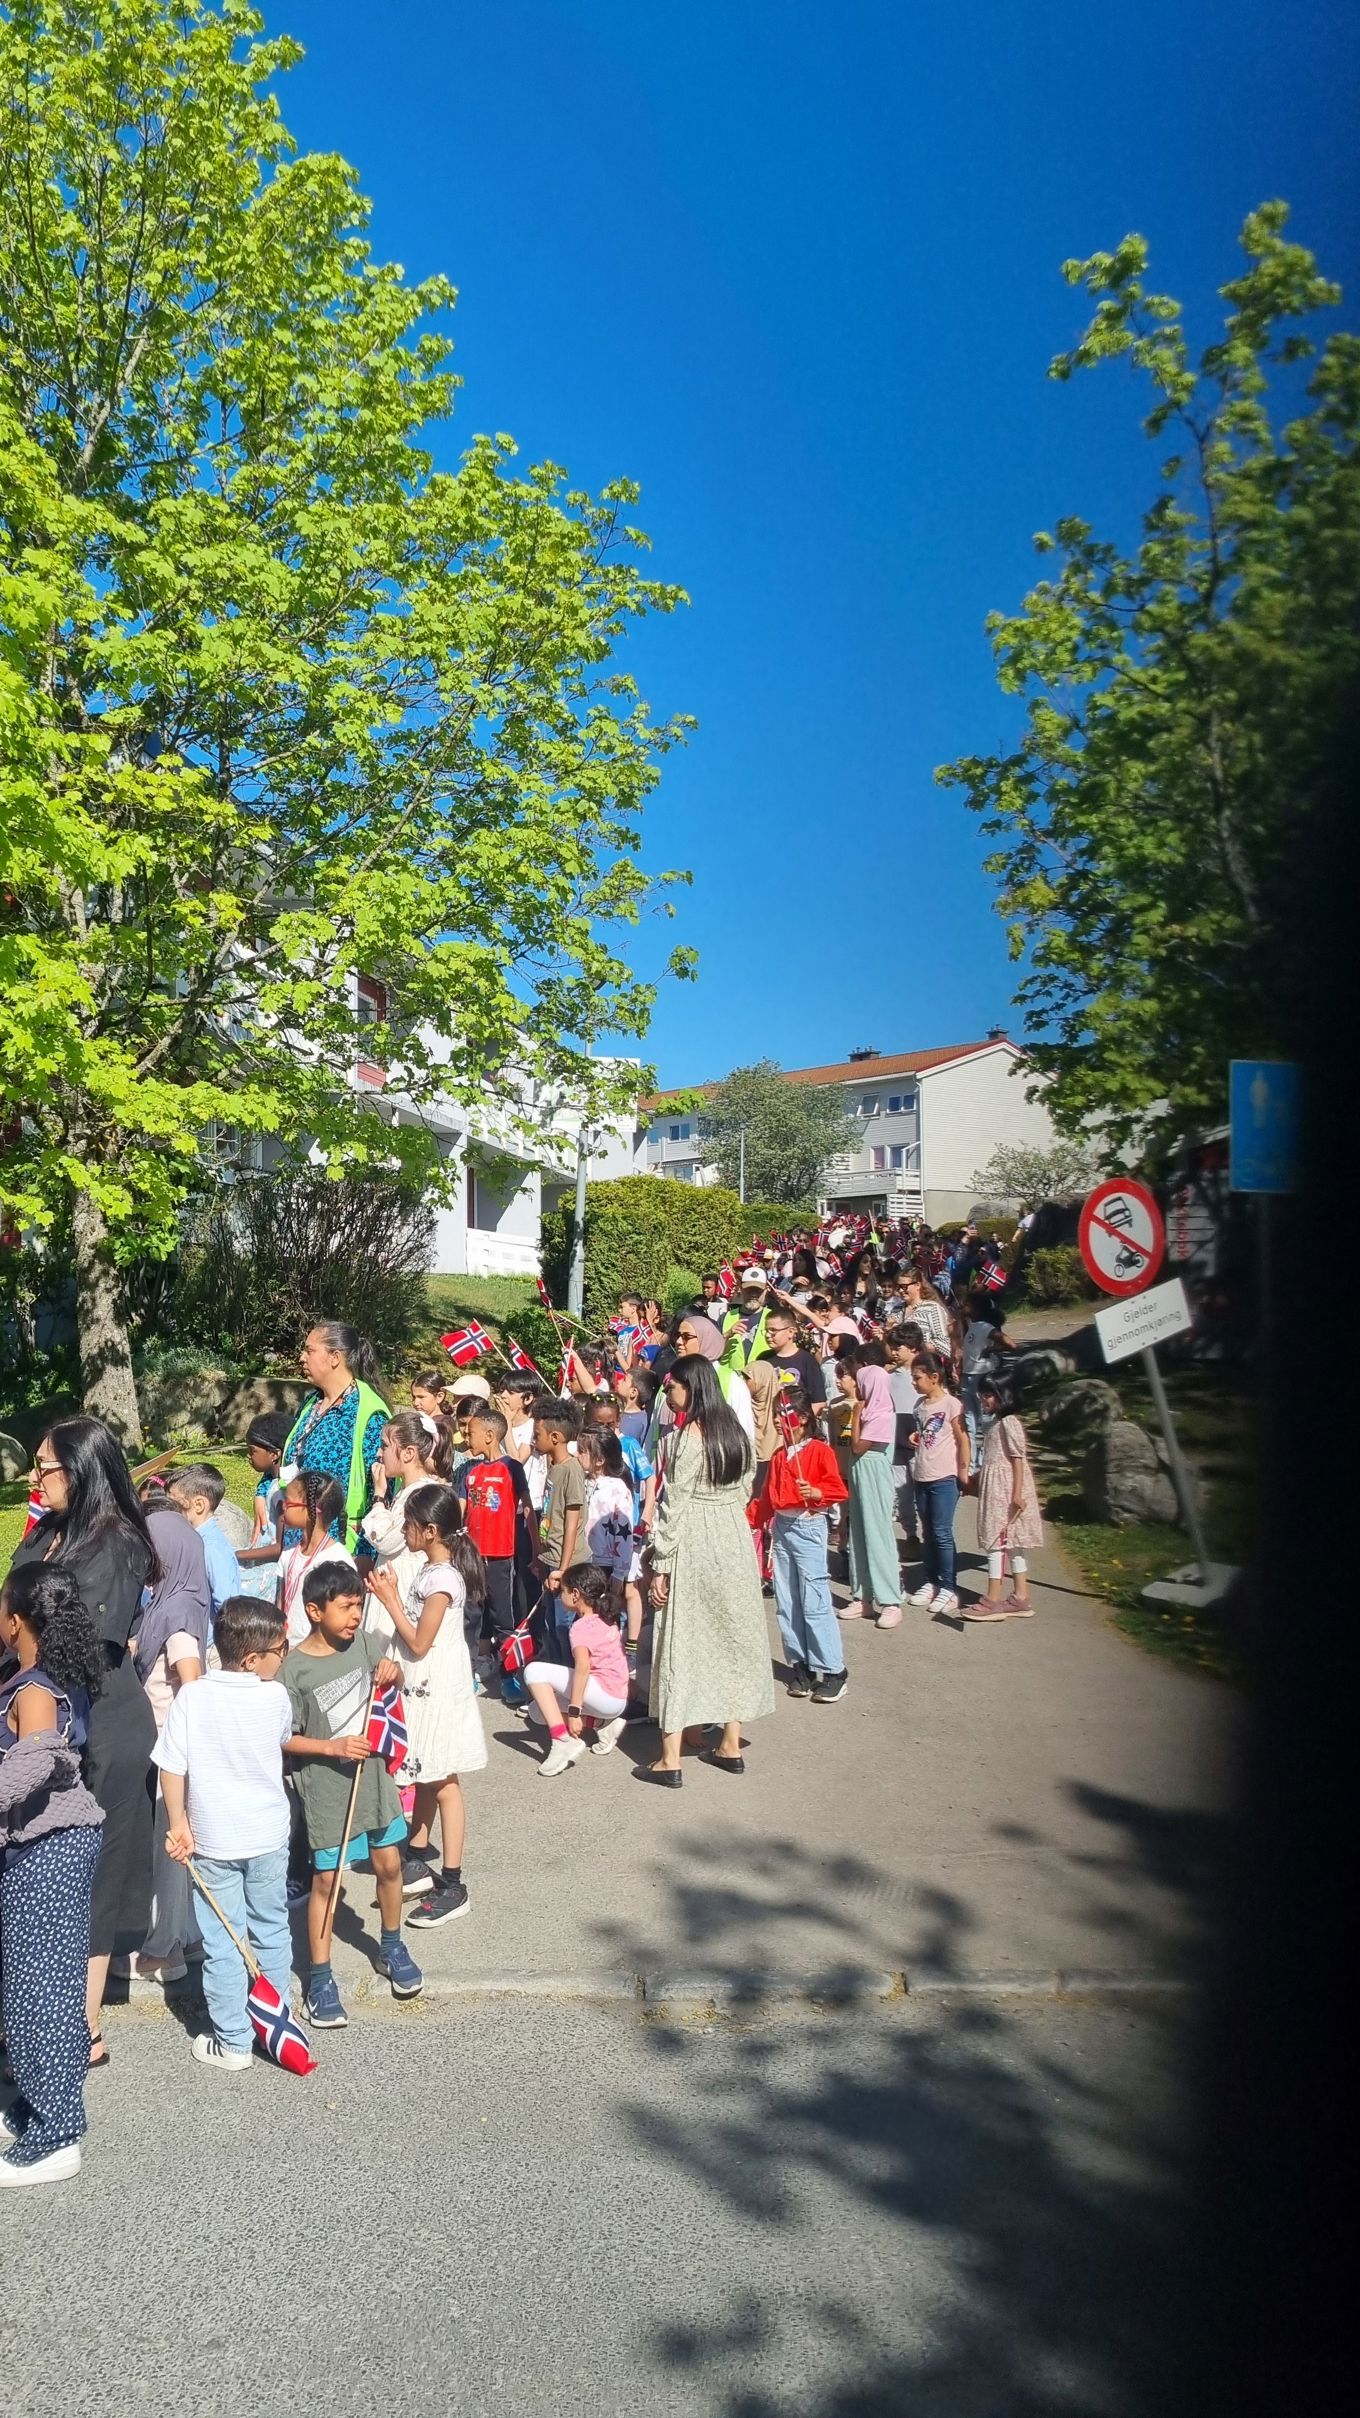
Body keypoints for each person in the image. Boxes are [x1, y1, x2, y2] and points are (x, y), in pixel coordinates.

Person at [7, 1417, 159, 2070]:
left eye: (45, 1466)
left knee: (86, 1880)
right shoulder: (44, 1529)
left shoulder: (116, 1544)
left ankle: (81, 2028)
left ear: (83, 1468)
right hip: (34, 1715)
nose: (34, 1477)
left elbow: (79, 1650)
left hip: (97, 1728)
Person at [153, 1596, 294, 2072]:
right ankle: (275, 2022)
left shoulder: (193, 1696)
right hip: (269, 1834)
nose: (285, 1655)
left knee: (223, 1940)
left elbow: (173, 1767)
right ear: (253, 1660)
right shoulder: (274, 1695)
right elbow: (277, 1740)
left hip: (213, 1838)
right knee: (271, 1929)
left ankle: (232, 2040)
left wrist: (178, 1822)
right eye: (281, 1648)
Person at [0, 1565, 105, 2188]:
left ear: (18, 1622)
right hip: (43, 1848)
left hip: (52, 1849)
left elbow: (34, 1764)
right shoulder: (41, 1679)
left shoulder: (35, 1690)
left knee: (41, 1994)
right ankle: (32, 2108)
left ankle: (56, 2136)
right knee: (32, 1988)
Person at [283, 1564, 422, 2028]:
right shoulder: (294, 1669)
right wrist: (331, 1747)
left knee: (389, 1865)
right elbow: (283, 1738)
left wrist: (393, 1671)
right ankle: (319, 1978)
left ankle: (391, 1945)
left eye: (359, 1605)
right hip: (326, 1794)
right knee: (325, 1882)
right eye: (346, 1607)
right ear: (314, 1610)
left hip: (375, 1785)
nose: (356, 1616)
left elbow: (393, 1683)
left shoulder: (364, 1644)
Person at [642, 1352, 775, 1784]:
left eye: (674, 1387)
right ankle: (729, 1743)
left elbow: (673, 1504)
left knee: (681, 1638)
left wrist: (660, 1564)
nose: (669, 1393)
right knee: (731, 1639)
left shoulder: (689, 1436)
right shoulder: (735, 1428)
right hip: (733, 1538)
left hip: (695, 1538)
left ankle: (670, 1757)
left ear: (691, 1387)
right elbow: (746, 1486)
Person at [361, 1484, 487, 1929]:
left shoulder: (443, 1579)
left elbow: (419, 1641)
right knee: (427, 1771)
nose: (404, 1531)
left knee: (444, 1779)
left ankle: (453, 1883)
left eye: (409, 1525)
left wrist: (390, 1600)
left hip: (438, 1689)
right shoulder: (429, 1570)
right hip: (423, 1686)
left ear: (430, 1530)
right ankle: (417, 1853)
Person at [124, 1495, 212, 1989]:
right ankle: (191, 1936)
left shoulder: (176, 1610)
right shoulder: (178, 1598)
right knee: (182, 1844)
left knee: (170, 1844)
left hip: (171, 1747)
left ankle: (163, 1951)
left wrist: (183, 1739)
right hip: (172, 1745)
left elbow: (190, 1682)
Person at [751, 1388, 849, 1701]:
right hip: (782, 1527)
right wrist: (743, 1521)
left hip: (808, 1527)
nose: (779, 1422)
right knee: (788, 1600)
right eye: (777, 1415)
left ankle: (834, 1669)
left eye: (785, 1415)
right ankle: (801, 1665)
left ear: (803, 1419)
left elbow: (836, 1489)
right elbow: (766, 1500)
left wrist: (818, 1492)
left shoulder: (820, 1451)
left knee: (814, 1599)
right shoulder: (780, 1456)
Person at [282, 1323, 390, 1549]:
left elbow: (381, 1486)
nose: (302, 1358)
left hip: (338, 1545)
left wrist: (366, 1553)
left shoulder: (367, 1413)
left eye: (309, 1351)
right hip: (298, 1539)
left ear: (334, 1357)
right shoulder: (312, 1403)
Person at [523, 1562, 630, 1774]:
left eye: (562, 1590)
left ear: (575, 1595)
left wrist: (574, 1711)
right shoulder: (607, 1616)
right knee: (537, 1712)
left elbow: (583, 1667)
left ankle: (562, 1741)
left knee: (533, 1671)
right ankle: (602, 1724)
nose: (559, 1595)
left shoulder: (581, 1627)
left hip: (604, 1693)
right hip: (616, 1698)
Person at [454, 1406, 535, 1665]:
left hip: (501, 1556)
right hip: (472, 1557)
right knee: (470, 1613)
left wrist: (536, 1548)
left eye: (472, 1433)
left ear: (489, 1436)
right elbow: (460, 1510)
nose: (468, 1438)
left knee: (503, 1615)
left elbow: (528, 1508)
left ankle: (509, 1670)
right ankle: (468, 1666)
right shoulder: (471, 1471)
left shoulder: (511, 1468)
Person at [963, 1377, 1044, 1620]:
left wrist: (1017, 1493)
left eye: (988, 1395)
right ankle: (1021, 1597)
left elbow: (1018, 1459)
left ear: (1003, 1395)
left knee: (997, 1542)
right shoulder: (997, 1424)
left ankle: (993, 1599)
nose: (983, 1399)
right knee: (1012, 1545)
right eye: (982, 1395)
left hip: (1005, 1493)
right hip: (997, 1489)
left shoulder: (1009, 1423)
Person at [836, 1348, 904, 1630]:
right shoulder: (869, 1409)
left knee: (878, 1534)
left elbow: (858, 1445)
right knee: (858, 1534)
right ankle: (862, 1595)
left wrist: (856, 1414)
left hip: (874, 1469)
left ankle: (890, 1600)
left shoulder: (880, 1412)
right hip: (859, 1470)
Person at [906, 1350, 971, 1615]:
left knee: (942, 1532)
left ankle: (949, 1586)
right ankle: (931, 1580)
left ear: (934, 1377)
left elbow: (963, 1438)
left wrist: (964, 1471)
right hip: (921, 1475)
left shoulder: (951, 1405)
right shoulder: (919, 1406)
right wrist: (915, 1437)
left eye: (918, 1377)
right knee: (928, 1531)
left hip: (944, 1477)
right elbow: (925, 1433)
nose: (914, 1382)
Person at [533, 1399, 587, 1653]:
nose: (534, 1440)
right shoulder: (554, 1468)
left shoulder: (571, 1470)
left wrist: (564, 1569)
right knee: (550, 1625)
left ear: (555, 1437)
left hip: (567, 1564)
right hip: (551, 1558)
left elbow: (572, 1523)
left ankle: (570, 1681)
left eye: (537, 1435)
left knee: (564, 1629)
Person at [276, 1471, 355, 1645]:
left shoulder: (338, 1559)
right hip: (287, 1646)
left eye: (287, 1502)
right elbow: (280, 1603)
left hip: (319, 1649)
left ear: (310, 1509)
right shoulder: (289, 1552)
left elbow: (346, 1611)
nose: (282, 1506)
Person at [166, 1464, 242, 1613]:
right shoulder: (193, 1540)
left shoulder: (211, 1548)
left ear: (199, 1505)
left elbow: (227, 1606)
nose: (168, 1511)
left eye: (173, 1505)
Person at [233, 1411, 292, 1600]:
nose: (248, 1456)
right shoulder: (273, 1484)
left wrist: (239, 1555)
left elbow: (281, 1547)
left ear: (275, 1454)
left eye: (253, 1451)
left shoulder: (283, 1493)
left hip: (268, 1572)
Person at [575, 1429, 635, 1605]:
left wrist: (619, 1572)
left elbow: (625, 1534)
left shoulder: (618, 1488)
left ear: (600, 1460)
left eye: (582, 1451)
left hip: (605, 1564)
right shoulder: (580, 1481)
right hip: (581, 1559)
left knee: (602, 1614)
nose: (576, 1455)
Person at [885, 1325, 925, 1550]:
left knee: (922, 1491)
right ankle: (911, 1535)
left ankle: (930, 1536)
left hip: (920, 1440)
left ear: (913, 1348)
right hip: (896, 1439)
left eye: (898, 1347)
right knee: (902, 1492)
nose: (894, 1352)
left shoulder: (924, 1373)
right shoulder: (888, 1375)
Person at [759, 1306, 828, 1411]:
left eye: (773, 1331)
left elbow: (818, 1402)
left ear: (791, 1332)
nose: (768, 1335)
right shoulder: (763, 1359)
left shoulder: (807, 1361)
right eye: (766, 1330)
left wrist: (800, 1423)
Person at [720, 1268, 772, 1371]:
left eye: (758, 1290)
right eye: (749, 1290)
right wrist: (727, 1335)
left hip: (763, 1382)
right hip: (731, 1382)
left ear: (766, 1290)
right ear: (740, 1289)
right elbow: (711, 1351)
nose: (753, 1295)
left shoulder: (774, 1317)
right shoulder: (726, 1317)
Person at [900, 1270, 952, 1362]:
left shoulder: (932, 1309)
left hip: (924, 1365)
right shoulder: (896, 1310)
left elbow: (945, 1345)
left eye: (904, 1287)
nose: (900, 1290)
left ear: (917, 1285)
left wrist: (921, 1346)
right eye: (898, 1287)